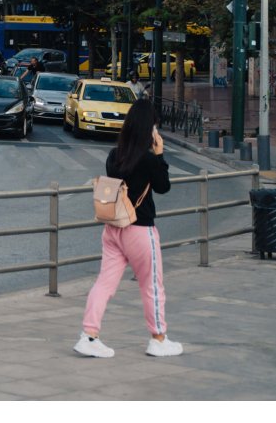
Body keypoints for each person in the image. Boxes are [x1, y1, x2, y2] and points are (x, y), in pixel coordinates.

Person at [75, 100, 181, 359]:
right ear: (150, 128)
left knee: (105, 282)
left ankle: (89, 335)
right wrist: (160, 155)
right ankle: (158, 338)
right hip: (140, 230)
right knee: (152, 286)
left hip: (113, 227)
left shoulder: (115, 155)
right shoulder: (147, 158)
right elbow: (163, 186)